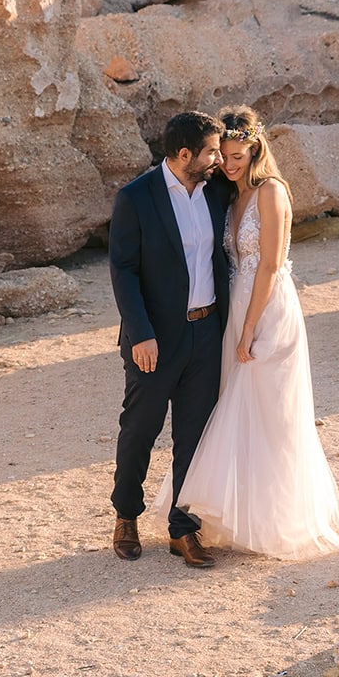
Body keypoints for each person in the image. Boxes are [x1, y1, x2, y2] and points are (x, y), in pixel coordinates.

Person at [155, 105, 339, 560]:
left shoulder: (272, 192)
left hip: (269, 311)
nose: (230, 163)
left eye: (239, 155)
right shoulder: (229, 195)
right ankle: (232, 515)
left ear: (256, 149)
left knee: (272, 411)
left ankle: (278, 518)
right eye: (225, 155)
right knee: (235, 408)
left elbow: (272, 266)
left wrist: (249, 331)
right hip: (235, 308)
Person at [108, 111, 230, 567]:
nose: (219, 159)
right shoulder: (136, 198)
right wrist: (140, 333)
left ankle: (183, 529)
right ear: (185, 155)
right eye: (212, 151)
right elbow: (124, 270)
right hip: (155, 339)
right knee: (140, 428)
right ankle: (126, 515)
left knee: (194, 436)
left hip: (207, 332)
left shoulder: (216, 190)